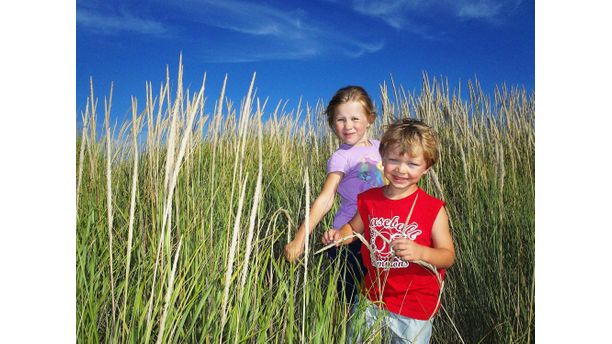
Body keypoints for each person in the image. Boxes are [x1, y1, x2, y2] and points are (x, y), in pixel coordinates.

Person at [322, 118, 455, 343]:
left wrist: (421, 252)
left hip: (414, 306)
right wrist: (339, 236)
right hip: (371, 298)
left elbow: (447, 256)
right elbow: (353, 228)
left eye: (412, 164)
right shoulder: (369, 199)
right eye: (394, 160)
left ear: (427, 168)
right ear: (382, 159)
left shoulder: (432, 208)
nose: (401, 170)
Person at [284, 85, 385, 305]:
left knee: (379, 300)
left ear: (370, 119)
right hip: (350, 239)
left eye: (355, 118)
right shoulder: (341, 157)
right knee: (350, 302)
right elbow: (326, 198)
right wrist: (300, 239)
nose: (348, 126)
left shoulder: (382, 148)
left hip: (381, 233)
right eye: (340, 120)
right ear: (332, 124)